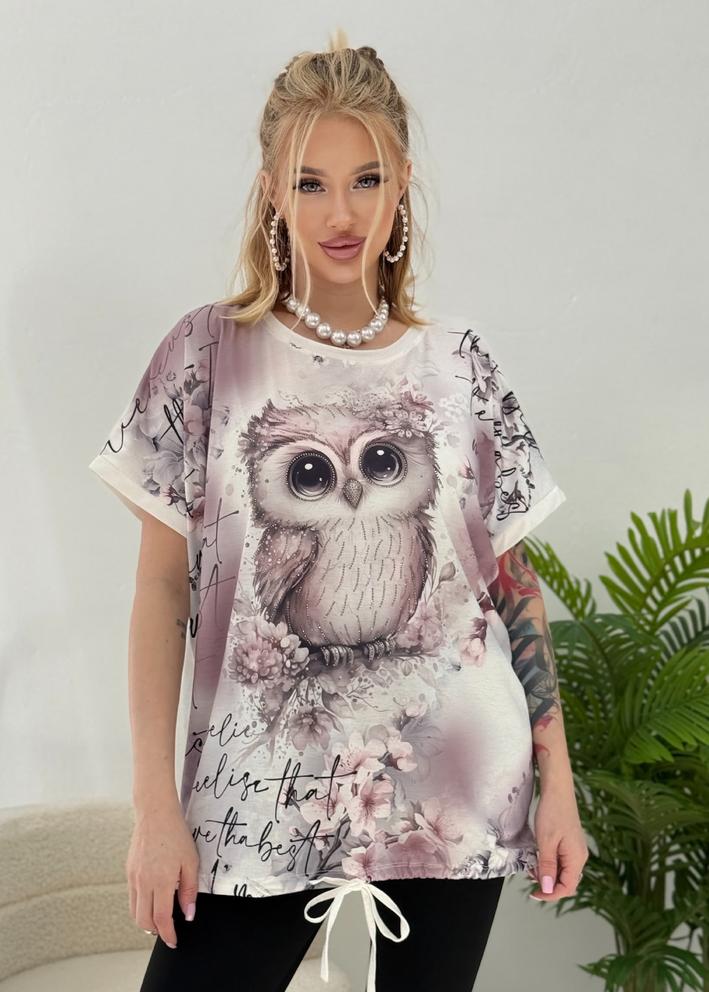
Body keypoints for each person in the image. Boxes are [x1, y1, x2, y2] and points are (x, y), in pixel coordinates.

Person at [88, 30, 588, 992]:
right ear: (271, 192)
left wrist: (558, 783)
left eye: (365, 179)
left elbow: (509, 584)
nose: (340, 212)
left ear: (401, 184)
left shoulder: (461, 364)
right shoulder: (207, 354)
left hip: (454, 789)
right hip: (250, 799)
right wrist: (154, 808)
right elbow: (160, 591)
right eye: (309, 182)